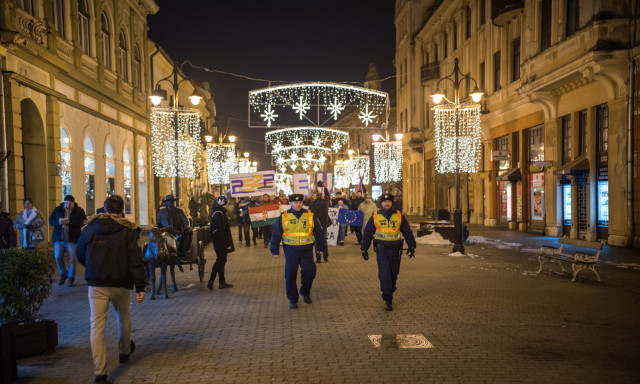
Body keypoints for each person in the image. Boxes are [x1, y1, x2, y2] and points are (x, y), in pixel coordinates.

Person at [76, 195, 146, 384]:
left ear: (105, 210)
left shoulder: (90, 228)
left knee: (96, 326)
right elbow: (135, 259)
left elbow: (80, 253)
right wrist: (140, 286)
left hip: (96, 284)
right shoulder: (128, 230)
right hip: (120, 282)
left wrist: (93, 266)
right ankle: (124, 352)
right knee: (124, 319)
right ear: (122, 210)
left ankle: (100, 373)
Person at [360, 193, 416, 311]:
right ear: (381, 203)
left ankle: (390, 291)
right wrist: (364, 248)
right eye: (385, 202)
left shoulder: (399, 215)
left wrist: (412, 246)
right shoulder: (376, 216)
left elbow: (407, 231)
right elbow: (368, 233)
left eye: (389, 201)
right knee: (384, 274)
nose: (387, 203)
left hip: (395, 250)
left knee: (393, 274)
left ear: (392, 203)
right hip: (382, 250)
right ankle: (387, 298)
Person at [270, 194, 327, 309]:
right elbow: (276, 234)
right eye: (295, 202)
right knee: (290, 275)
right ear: (290, 203)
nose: (298, 204)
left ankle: (305, 292)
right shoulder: (284, 217)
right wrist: (274, 249)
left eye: (300, 202)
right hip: (291, 251)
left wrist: (320, 248)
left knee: (310, 272)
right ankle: (293, 299)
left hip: (307, 250)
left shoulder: (310, 215)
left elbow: (319, 233)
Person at [49, 195, 86, 287]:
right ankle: (63, 273)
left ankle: (71, 278)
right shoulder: (58, 209)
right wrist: (59, 222)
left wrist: (70, 222)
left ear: (73, 203)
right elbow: (51, 220)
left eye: (70, 203)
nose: (67, 205)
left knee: (72, 259)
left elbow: (82, 222)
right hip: (59, 238)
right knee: (58, 256)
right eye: (66, 203)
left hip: (72, 239)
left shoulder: (79, 211)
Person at [207, 196, 235, 290]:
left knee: (222, 261)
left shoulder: (219, 213)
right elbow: (221, 231)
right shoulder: (219, 214)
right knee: (220, 261)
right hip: (219, 242)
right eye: (226, 203)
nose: (227, 205)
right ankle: (211, 282)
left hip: (219, 241)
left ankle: (222, 282)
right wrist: (227, 244)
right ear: (223, 204)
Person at [308, 192, 330, 263]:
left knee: (317, 241)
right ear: (322, 196)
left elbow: (309, 214)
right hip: (324, 225)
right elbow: (328, 197)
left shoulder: (313, 204)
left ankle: (318, 258)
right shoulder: (325, 203)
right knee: (324, 240)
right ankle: (325, 256)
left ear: (316, 197)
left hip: (316, 225)